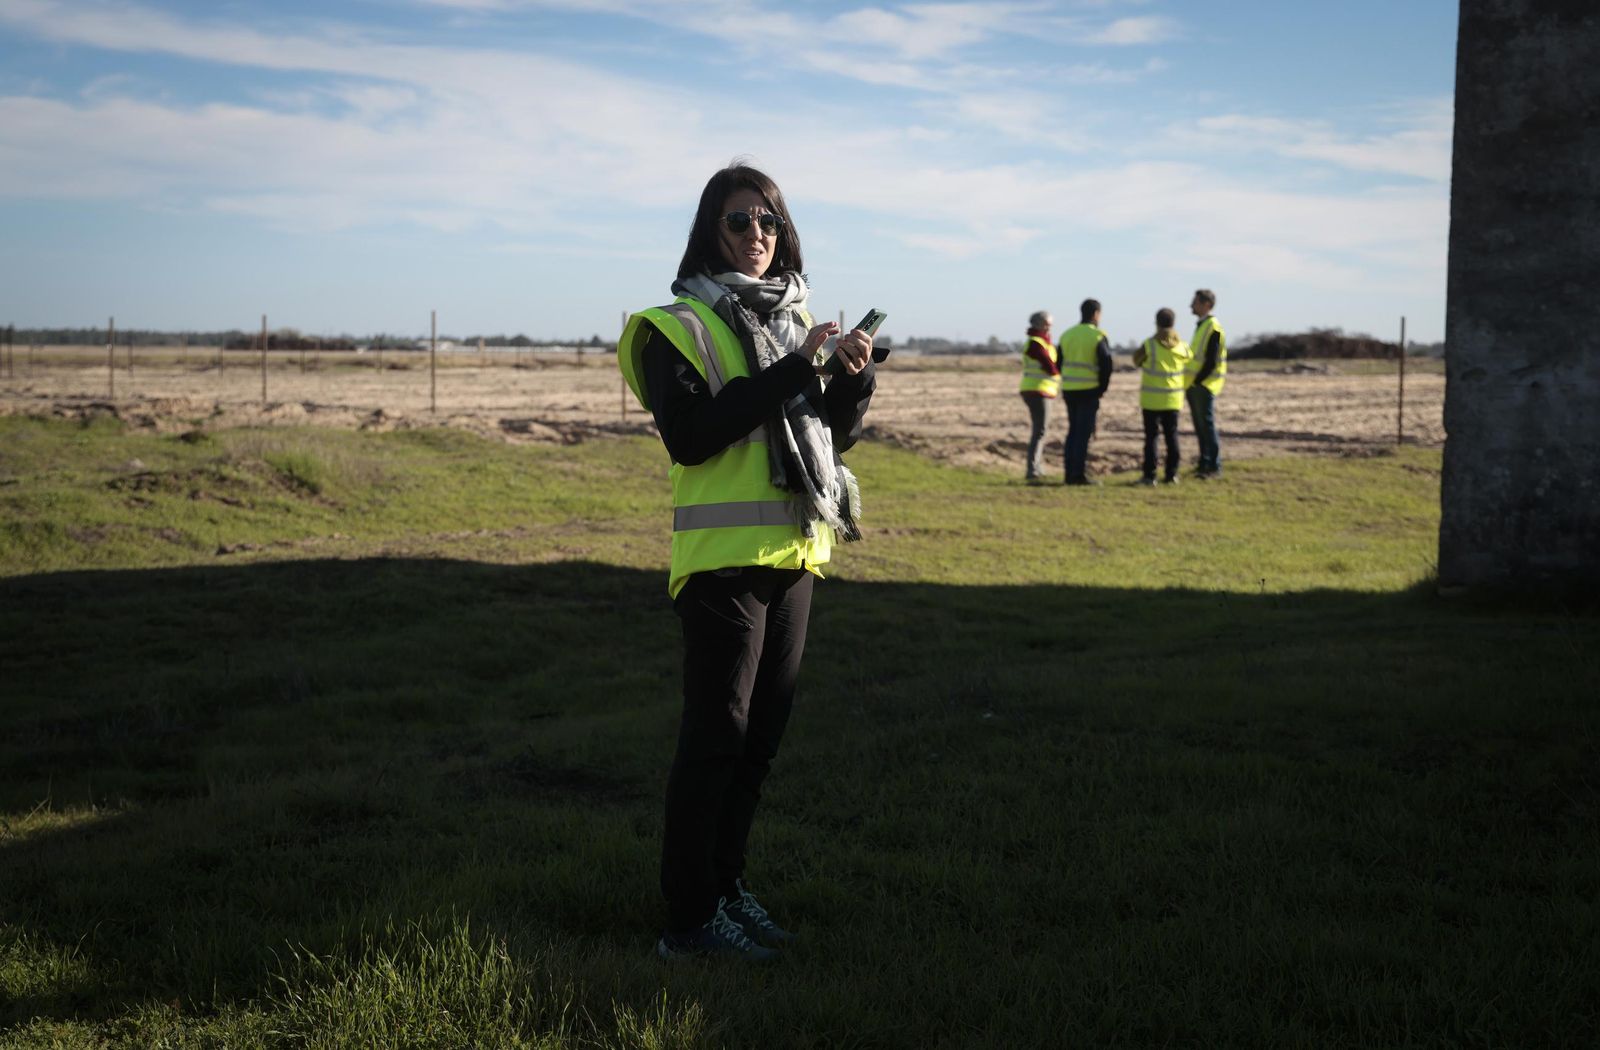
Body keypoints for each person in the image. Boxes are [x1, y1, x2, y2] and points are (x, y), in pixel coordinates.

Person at [616, 162, 878, 963]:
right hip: (723, 564)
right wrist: (800, 367)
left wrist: (852, 384)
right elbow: (693, 436)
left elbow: (824, 437)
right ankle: (690, 921)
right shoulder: (675, 326)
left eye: (769, 221)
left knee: (757, 743)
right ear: (709, 229)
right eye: (740, 221)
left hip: (796, 553)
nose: (757, 235)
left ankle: (726, 891)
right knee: (715, 739)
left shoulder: (793, 323)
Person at [1056, 298, 1114, 486]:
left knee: (1072, 432)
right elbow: (1106, 364)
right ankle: (1077, 475)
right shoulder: (1097, 336)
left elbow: (1058, 363)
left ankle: (1069, 473)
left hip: (1070, 390)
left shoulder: (1067, 335)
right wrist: (1102, 389)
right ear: (1096, 314)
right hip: (1089, 391)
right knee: (1083, 434)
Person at [1134, 307, 1192, 485]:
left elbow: (1136, 360)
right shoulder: (1182, 346)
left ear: (1157, 323)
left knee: (1152, 438)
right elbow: (1190, 359)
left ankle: (1149, 476)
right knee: (1172, 437)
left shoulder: (1149, 345)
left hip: (1152, 400)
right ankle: (1172, 474)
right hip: (1173, 399)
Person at [1184, 288, 1228, 478]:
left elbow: (1211, 360)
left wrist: (1198, 381)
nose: (1191, 305)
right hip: (1195, 384)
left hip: (1204, 384)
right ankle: (1204, 462)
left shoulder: (1213, 327)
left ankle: (1214, 466)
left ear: (1206, 304)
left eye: (1195, 302)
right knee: (1200, 426)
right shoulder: (1202, 326)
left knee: (1207, 426)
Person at [1017, 310, 1060, 484]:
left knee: (1040, 431)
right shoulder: (1036, 344)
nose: (1050, 327)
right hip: (1037, 391)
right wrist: (1058, 372)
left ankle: (1036, 467)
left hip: (1040, 390)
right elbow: (1050, 367)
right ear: (1041, 324)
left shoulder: (1042, 342)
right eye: (1048, 324)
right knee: (1039, 431)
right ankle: (1033, 469)